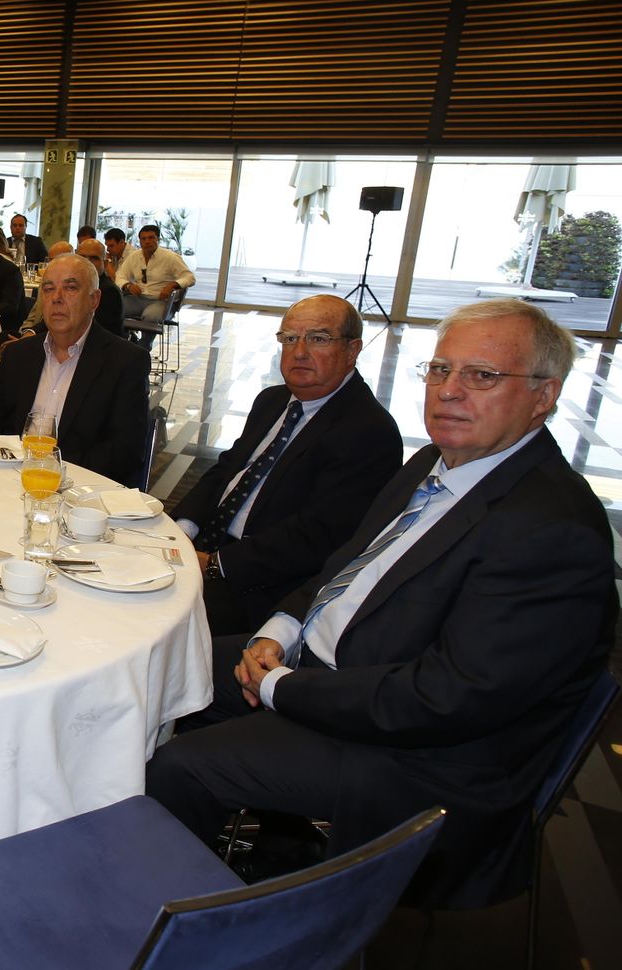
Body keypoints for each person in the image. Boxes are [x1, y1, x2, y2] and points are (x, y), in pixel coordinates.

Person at [147, 299, 616, 909]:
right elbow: (345, 563)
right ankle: (197, 843)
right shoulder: (436, 460)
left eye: (482, 376)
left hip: (414, 756)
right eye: (440, 370)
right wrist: (281, 631)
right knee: (161, 661)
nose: (449, 392)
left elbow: (448, 699)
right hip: (335, 670)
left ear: (544, 395)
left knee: (182, 766)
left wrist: (285, 687)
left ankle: (179, 919)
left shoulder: (552, 530)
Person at [172, 295, 402, 635]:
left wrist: (215, 566)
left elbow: (317, 537)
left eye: (318, 339)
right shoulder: (273, 400)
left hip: (261, 586)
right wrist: (182, 530)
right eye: (290, 338)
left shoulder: (369, 430)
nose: (300, 351)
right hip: (206, 547)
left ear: (352, 350)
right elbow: (227, 470)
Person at [0, 253, 149, 487]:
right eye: (49, 289)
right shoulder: (19, 355)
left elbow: (125, 451)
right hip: (11, 481)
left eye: (70, 288)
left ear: (94, 300)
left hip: (81, 492)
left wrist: (52, 472)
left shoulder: (125, 361)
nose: (57, 298)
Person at [117, 224, 194, 347]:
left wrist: (173, 285)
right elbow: (119, 276)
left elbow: (190, 277)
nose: (147, 241)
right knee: (114, 308)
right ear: (140, 241)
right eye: (144, 238)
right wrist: (127, 285)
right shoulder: (134, 256)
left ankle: (144, 347)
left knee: (150, 316)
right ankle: (127, 341)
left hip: (161, 301)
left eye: (151, 238)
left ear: (158, 239)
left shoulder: (170, 257)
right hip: (138, 299)